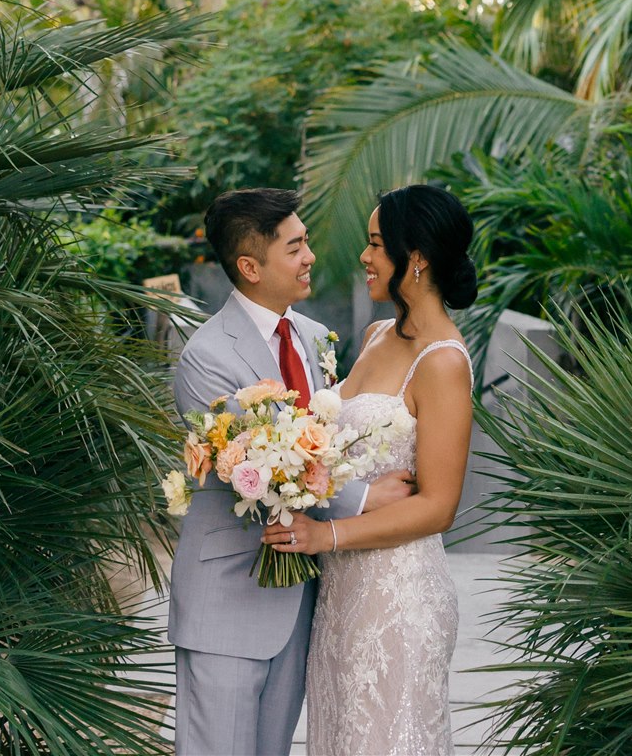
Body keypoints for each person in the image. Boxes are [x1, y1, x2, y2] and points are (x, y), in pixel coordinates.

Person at [168, 187, 417, 756]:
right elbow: (260, 467)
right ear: (250, 266)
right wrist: (363, 499)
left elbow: (325, 438)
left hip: (300, 597)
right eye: (295, 247)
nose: (310, 257)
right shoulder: (207, 356)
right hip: (227, 601)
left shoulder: (311, 338)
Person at [261, 182, 477, 756]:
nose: (364, 256)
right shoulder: (378, 334)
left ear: (419, 258)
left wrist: (326, 533)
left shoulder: (445, 363)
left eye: (377, 244)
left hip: (398, 601)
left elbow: (438, 506)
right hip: (342, 596)